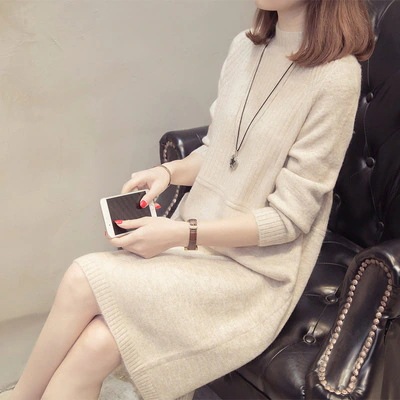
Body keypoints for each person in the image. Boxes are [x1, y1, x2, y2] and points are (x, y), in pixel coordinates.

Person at [11, 0, 375, 399]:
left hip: (255, 274)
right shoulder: (245, 48)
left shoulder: (336, 77)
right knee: (95, 346)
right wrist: (168, 173)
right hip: (196, 245)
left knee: (82, 277)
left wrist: (179, 234)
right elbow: (218, 150)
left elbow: (288, 221)